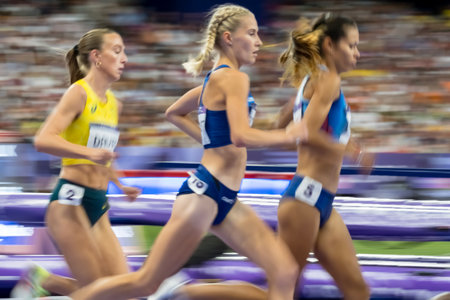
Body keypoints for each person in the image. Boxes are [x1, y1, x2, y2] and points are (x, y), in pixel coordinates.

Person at [68, 4, 307, 300]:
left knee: (284, 272)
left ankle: (181, 293)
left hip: (223, 198)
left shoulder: (215, 80)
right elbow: (241, 135)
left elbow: (173, 113)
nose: (259, 41)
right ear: (229, 38)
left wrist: (211, 142)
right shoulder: (234, 78)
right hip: (203, 196)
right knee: (144, 283)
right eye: (252, 33)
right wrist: (287, 135)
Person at [11, 28, 141, 298]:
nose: (124, 58)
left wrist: (120, 184)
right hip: (70, 202)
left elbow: (104, 154)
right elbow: (43, 139)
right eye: (117, 51)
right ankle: (43, 282)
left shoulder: (114, 104)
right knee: (98, 291)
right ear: (96, 57)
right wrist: (88, 153)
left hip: (98, 202)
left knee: (122, 290)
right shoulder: (78, 93)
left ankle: (44, 280)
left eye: (124, 51)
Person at [276, 13, 373, 299]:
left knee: (357, 291)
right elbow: (304, 131)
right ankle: (188, 292)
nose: (358, 53)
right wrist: (352, 151)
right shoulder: (328, 80)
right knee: (283, 292)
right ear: (330, 45)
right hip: (305, 198)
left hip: (321, 201)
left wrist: (346, 141)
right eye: (352, 46)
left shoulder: (311, 80)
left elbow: (286, 124)